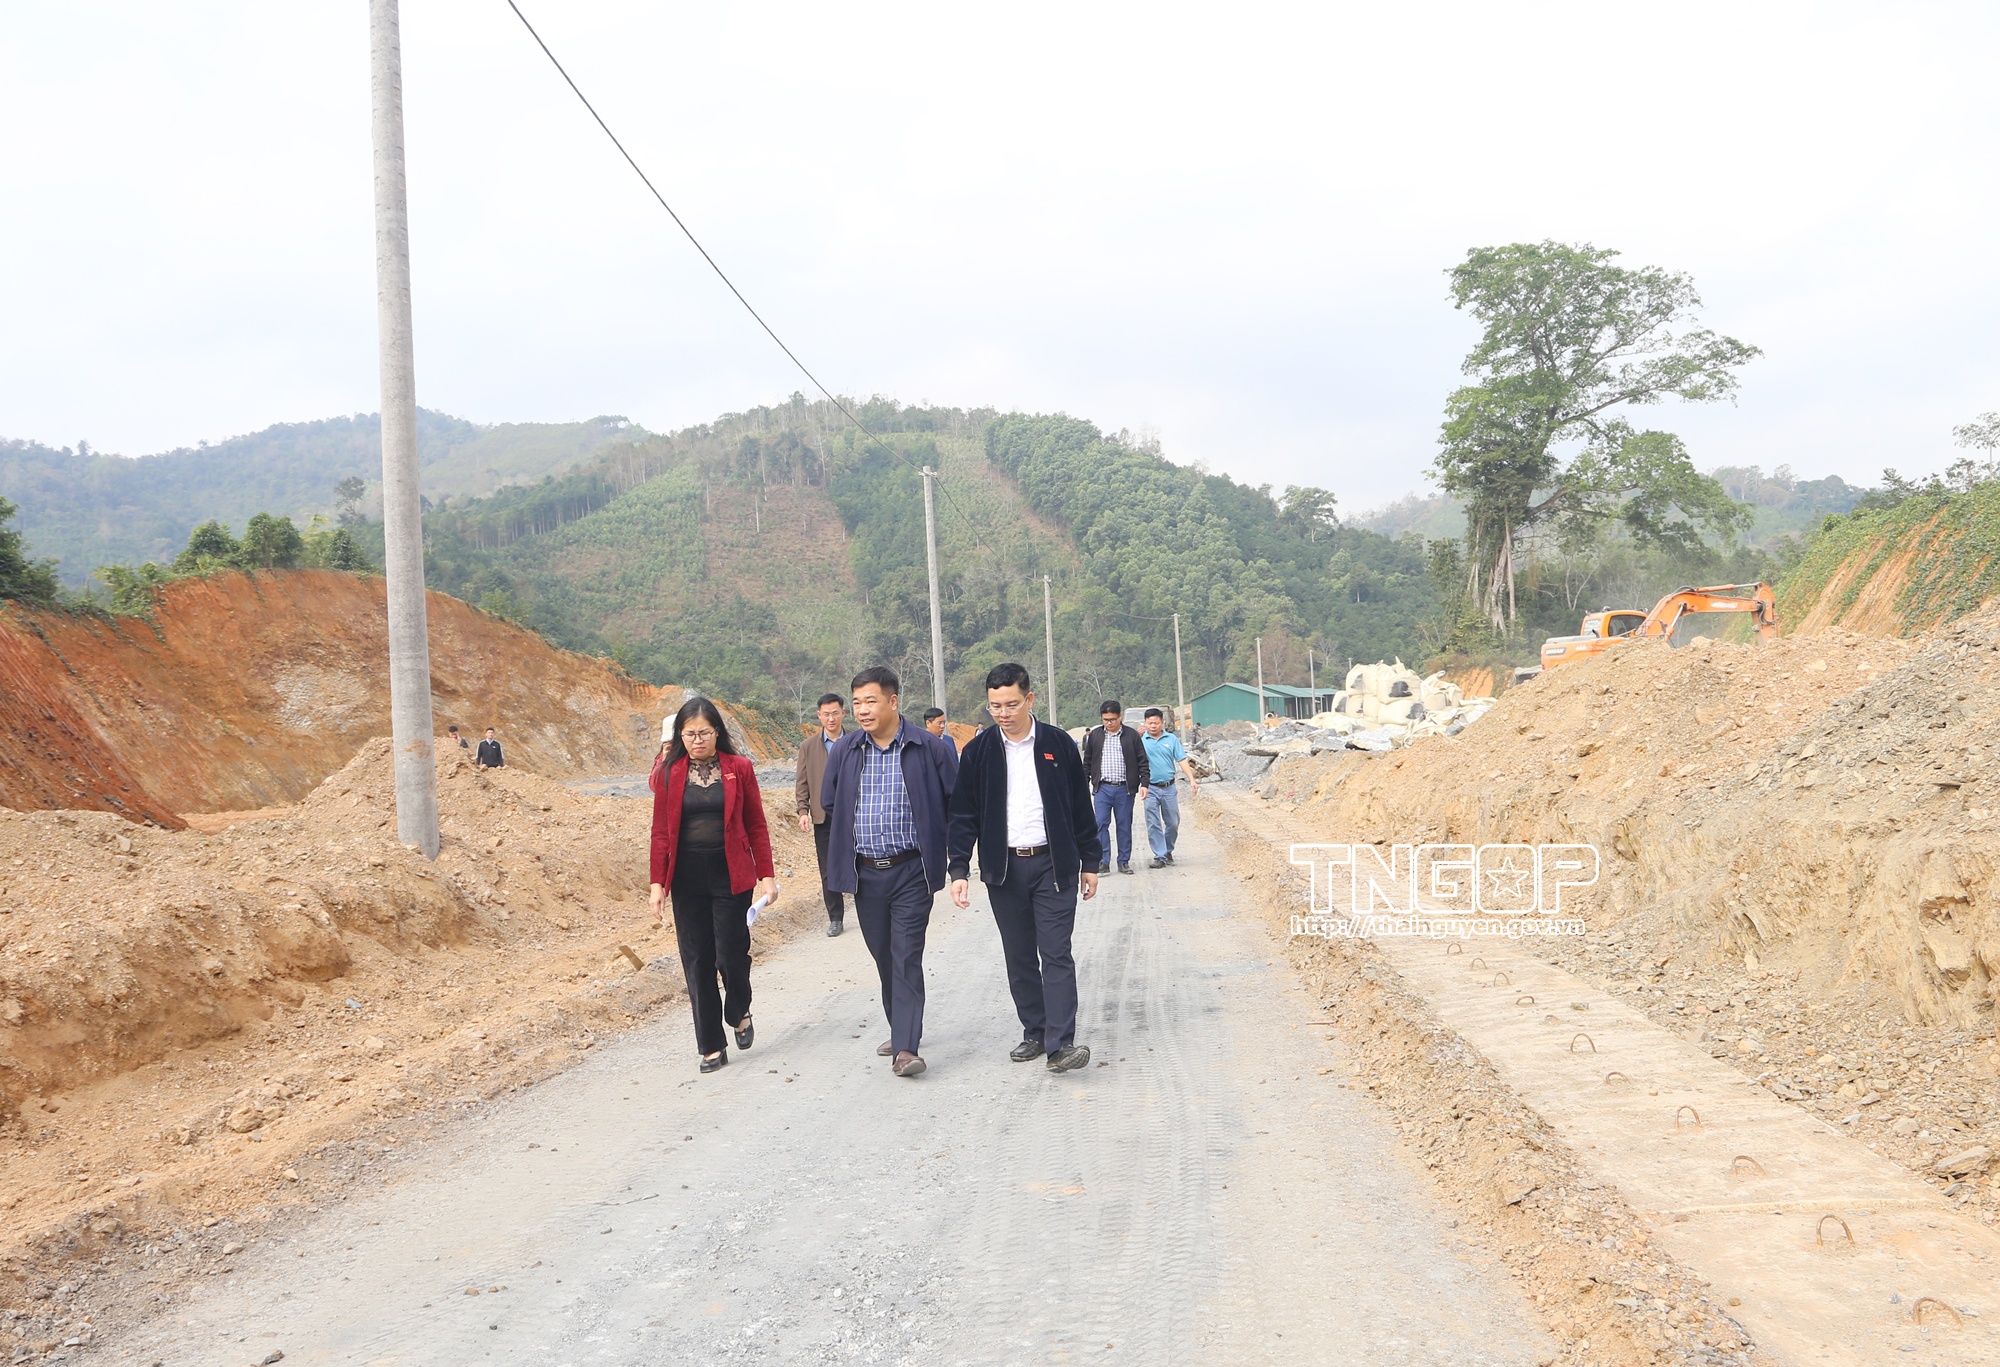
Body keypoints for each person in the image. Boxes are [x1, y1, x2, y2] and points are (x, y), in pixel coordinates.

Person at [947, 663, 1100, 1073]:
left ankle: (1061, 1044)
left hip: (1054, 864)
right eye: (995, 706)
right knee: (1019, 956)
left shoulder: (1058, 745)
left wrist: (1090, 861)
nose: (1004, 713)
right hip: (1005, 870)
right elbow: (962, 815)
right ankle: (1035, 1030)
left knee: (1056, 953)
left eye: (1012, 704)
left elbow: (1080, 806)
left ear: (1029, 699)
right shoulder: (978, 752)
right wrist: (958, 869)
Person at [820, 666, 959, 1078]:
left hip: (912, 869)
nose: (862, 710)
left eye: (871, 701)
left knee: (906, 955)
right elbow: (831, 802)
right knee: (883, 955)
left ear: (893, 701)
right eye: (857, 702)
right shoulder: (846, 750)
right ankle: (901, 1027)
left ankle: (906, 1048)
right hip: (866, 874)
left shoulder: (928, 747)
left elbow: (954, 803)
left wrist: (955, 862)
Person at [648, 697, 777, 1074]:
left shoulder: (739, 768)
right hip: (686, 877)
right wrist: (657, 884)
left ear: (717, 732)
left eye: (703, 733)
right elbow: (660, 832)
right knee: (697, 959)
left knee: (730, 955)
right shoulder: (670, 773)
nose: (697, 741)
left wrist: (766, 875)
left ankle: (738, 1010)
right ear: (679, 736)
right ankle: (710, 1045)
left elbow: (756, 824)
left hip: (730, 874)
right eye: (689, 734)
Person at [795, 693, 849, 937]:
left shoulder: (857, 741)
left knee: (862, 863)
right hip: (823, 816)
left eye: (835, 713)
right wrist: (803, 810)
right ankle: (835, 918)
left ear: (843, 713)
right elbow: (802, 782)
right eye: (826, 714)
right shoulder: (808, 747)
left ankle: (871, 910)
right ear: (819, 716)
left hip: (854, 815)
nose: (831, 718)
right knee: (828, 869)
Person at [1080, 701, 1147, 874]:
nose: (1109, 723)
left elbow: (1142, 761)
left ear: (1120, 717)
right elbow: (1087, 762)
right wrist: (1083, 784)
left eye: (1112, 719)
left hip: (1124, 789)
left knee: (1124, 825)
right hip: (1102, 788)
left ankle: (1123, 861)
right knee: (1100, 823)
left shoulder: (1131, 736)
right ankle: (1103, 860)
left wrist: (1144, 783)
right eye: (1105, 720)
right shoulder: (1095, 736)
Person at [1139, 708, 1198, 868]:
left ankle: (1167, 850)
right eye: (1150, 723)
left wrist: (1192, 779)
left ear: (1162, 723)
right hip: (1150, 788)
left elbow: (1181, 759)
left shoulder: (1171, 739)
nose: (1153, 726)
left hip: (1169, 788)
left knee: (1173, 822)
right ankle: (1160, 855)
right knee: (1153, 823)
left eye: (1156, 723)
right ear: (1145, 723)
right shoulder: (1141, 741)